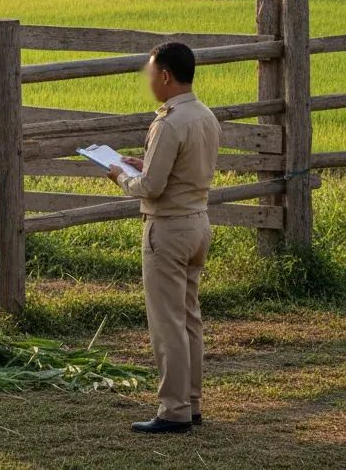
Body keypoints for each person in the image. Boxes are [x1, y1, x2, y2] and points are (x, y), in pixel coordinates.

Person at [107, 41, 220, 434]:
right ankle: (192, 402)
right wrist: (145, 164)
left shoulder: (168, 122)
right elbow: (179, 168)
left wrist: (122, 176)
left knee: (166, 323)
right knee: (189, 318)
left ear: (166, 76)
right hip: (198, 221)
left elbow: (152, 186)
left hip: (167, 228)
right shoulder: (204, 115)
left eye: (151, 73)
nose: (149, 80)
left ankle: (173, 411)